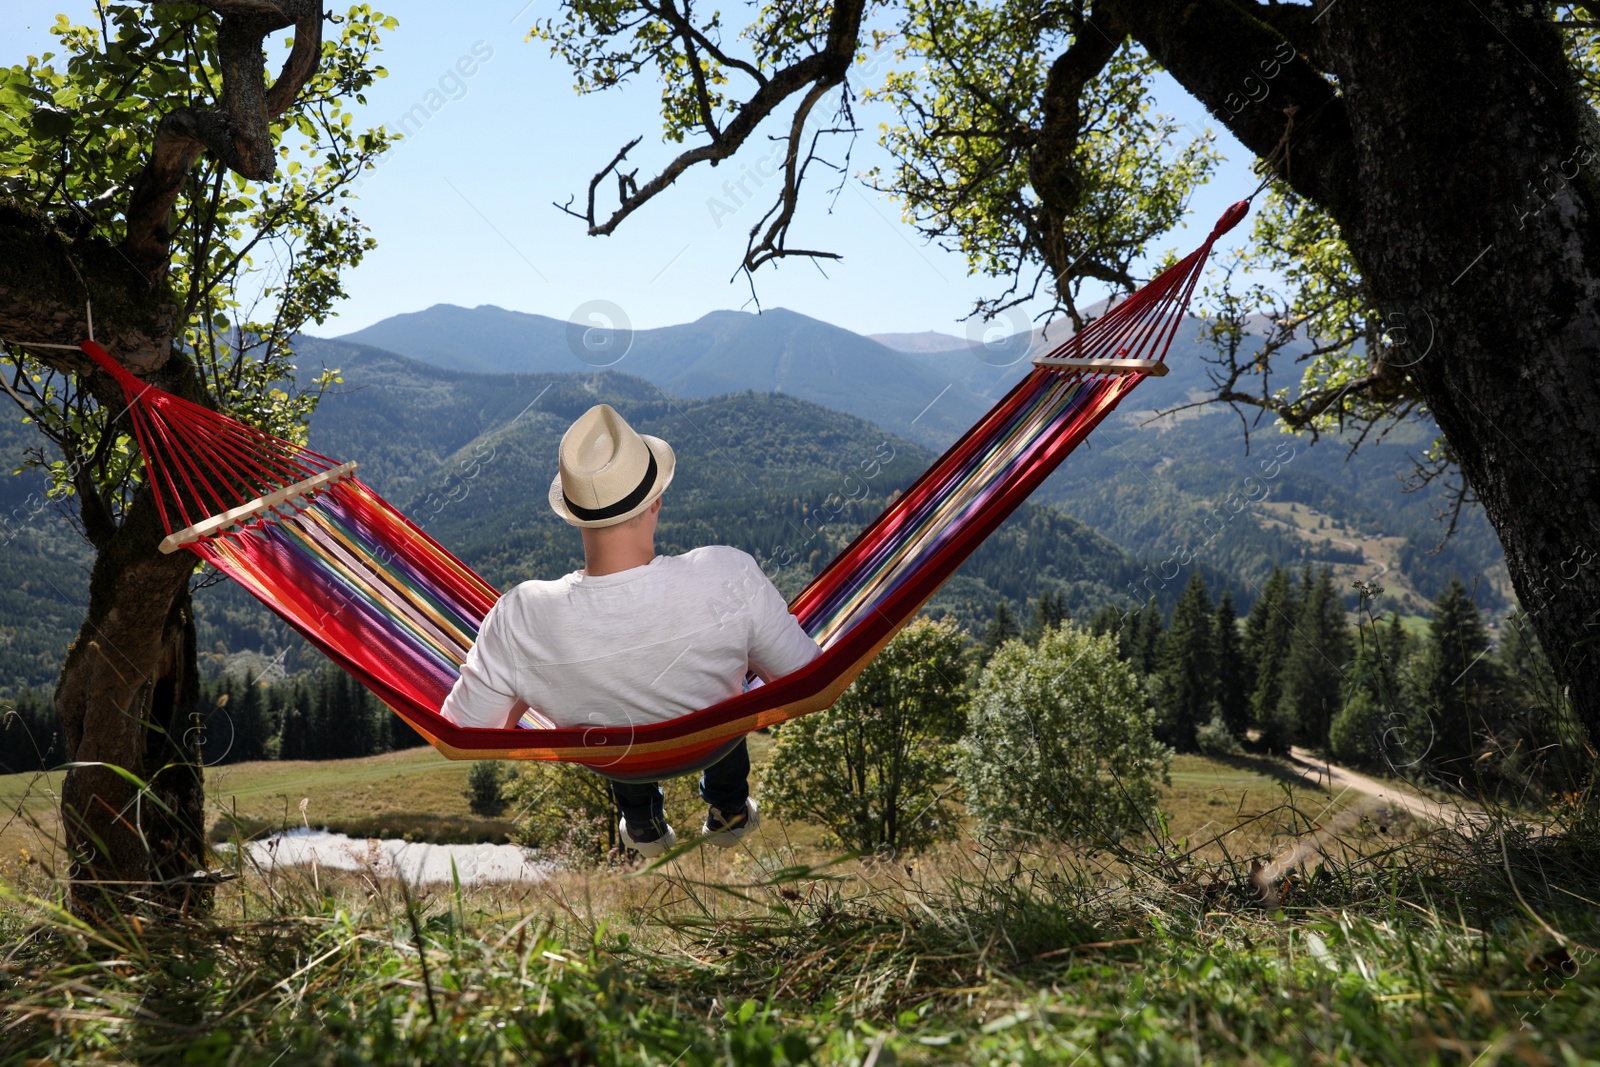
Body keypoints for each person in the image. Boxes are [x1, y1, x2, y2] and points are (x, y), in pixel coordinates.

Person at [440, 403, 821, 857]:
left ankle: (643, 826)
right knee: (737, 683)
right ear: (655, 501)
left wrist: (535, 679)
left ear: (575, 516)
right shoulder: (727, 572)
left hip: (616, 760)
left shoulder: (520, 615)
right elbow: (805, 682)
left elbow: (468, 733)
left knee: (613, 712)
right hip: (714, 743)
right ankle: (730, 811)